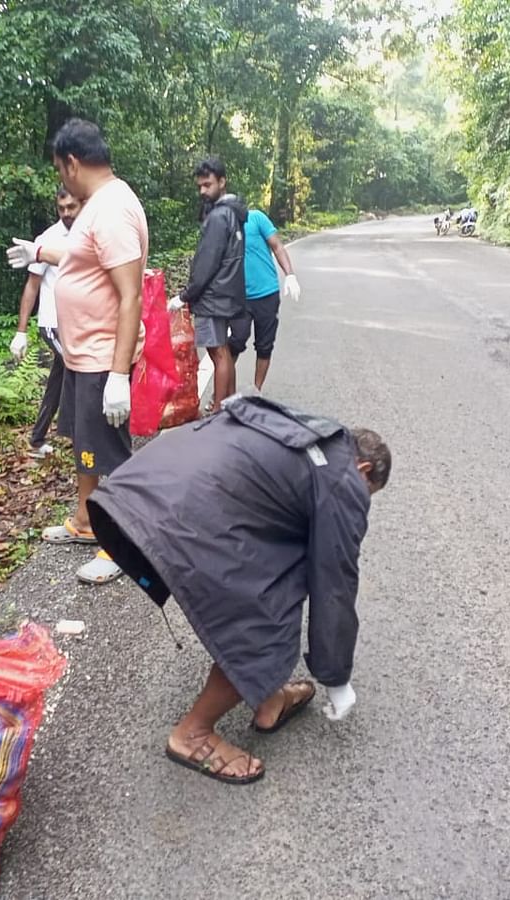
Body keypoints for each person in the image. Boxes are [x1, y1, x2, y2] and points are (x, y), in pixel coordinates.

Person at [86, 395, 391, 784]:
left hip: (135, 490)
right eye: (369, 493)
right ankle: (192, 735)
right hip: (178, 514)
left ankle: (268, 700)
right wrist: (337, 676)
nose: (362, 503)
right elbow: (336, 583)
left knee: (277, 567)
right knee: (262, 621)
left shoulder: (307, 430)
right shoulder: (344, 478)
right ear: (363, 468)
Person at [5, 118, 147, 585]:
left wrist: (119, 375)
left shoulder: (113, 208)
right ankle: (86, 520)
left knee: (110, 454)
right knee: (84, 445)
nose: (60, 181)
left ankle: (119, 544)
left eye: (59, 170)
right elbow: (85, 258)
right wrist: (39, 254)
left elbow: (131, 294)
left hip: (104, 357)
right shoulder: (95, 205)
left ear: (71, 162)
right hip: (80, 353)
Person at [168, 157, 246, 413]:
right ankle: (230, 402)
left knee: (218, 353)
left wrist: (185, 295)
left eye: (207, 184)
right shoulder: (233, 213)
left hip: (213, 297)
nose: (203, 191)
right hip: (226, 294)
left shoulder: (218, 217)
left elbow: (206, 264)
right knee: (222, 350)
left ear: (222, 182)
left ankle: (219, 410)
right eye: (200, 186)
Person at [9, 188, 83, 458]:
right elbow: (32, 286)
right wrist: (21, 332)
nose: (66, 213)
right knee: (79, 371)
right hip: (53, 322)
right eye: (61, 208)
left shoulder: (89, 232)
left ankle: (38, 439)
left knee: (59, 378)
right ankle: (81, 439)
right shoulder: (48, 239)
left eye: (71, 207)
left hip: (80, 322)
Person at [227, 205, 300, 391]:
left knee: (264, 346)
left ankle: (256, 391)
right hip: (239, 297)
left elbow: (277, 246)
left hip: (267, 293)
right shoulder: (223, 228)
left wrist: (290, 274)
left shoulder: (257, 218)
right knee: (235, 341)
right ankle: (221, 392)